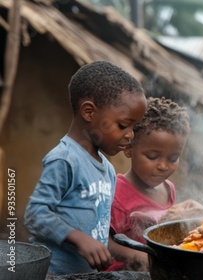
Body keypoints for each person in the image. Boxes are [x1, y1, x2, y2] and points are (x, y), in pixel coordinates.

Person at [24, 61, 147, 275]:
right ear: (89, 112)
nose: (130, 135)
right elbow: (35, 214)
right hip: (53, 274)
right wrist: (79, 239)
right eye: (123, 125)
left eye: (133, 128)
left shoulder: (107, 170)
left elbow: (98, 234)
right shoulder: (65, 159)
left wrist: (130, 254)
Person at [107, 97, 203, 271]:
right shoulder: (116, 192)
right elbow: (105, 242)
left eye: (173, 158)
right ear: (129, 148)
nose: (163, 166)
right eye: (152, 157)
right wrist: (140, 257)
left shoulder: (168, 189)